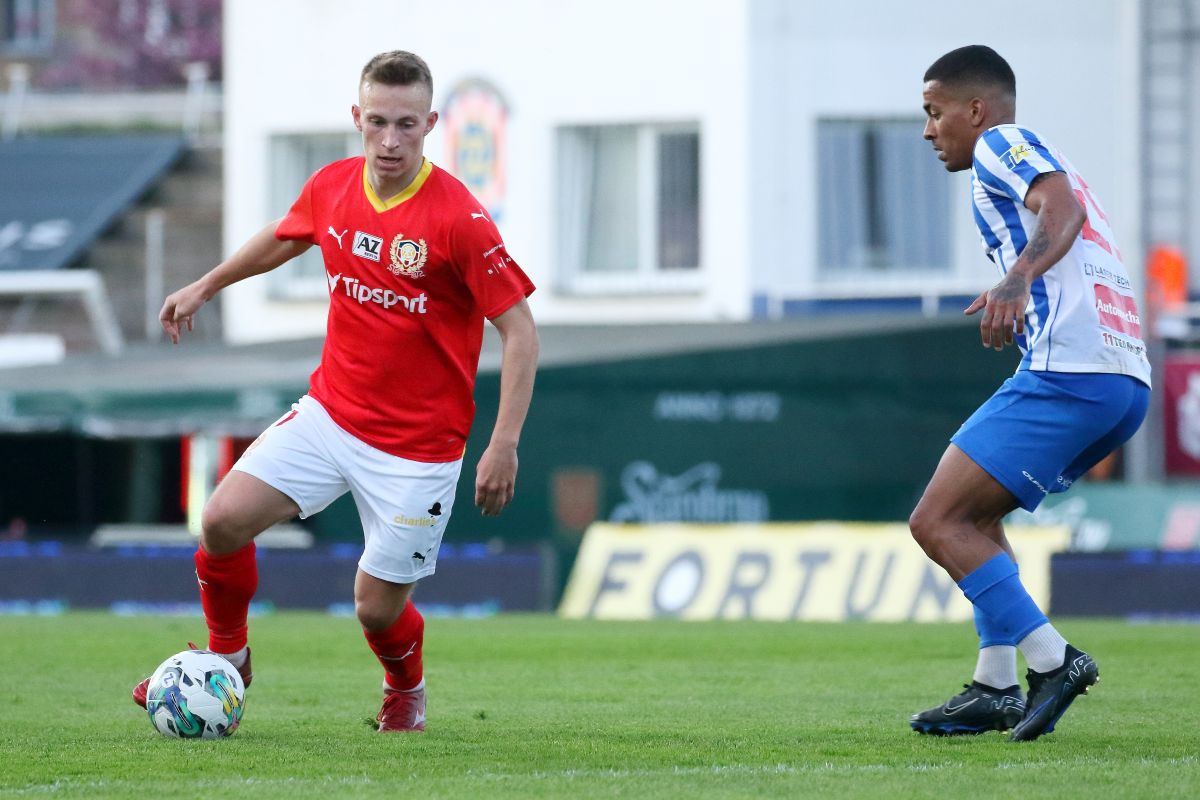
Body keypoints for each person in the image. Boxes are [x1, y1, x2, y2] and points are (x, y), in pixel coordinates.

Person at [132, 50, 539, 732]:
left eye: (406, 124)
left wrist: (504, 445)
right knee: (221, 521)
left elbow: (520, 330)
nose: (390, 140)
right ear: (357, 117)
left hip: (418, 450)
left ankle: (405, 688)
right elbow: (286, 236)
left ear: (430, 124)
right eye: (377, 121)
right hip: (331, 416)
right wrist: (208, 283)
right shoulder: (333, 186)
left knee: (375, 608)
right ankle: (229, 659)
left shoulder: (459, 220)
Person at [909, 45, 1151, 741]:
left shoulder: (1002, 143)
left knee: (937, 521)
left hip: (1071, 373)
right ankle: (995, 685)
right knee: (977, 518)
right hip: (1116, 379)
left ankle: (1053, 659)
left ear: (975, 109)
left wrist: (1017, 277)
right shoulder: (1033, 158)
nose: (928, 130)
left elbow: (1061, 208)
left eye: (935, 112)